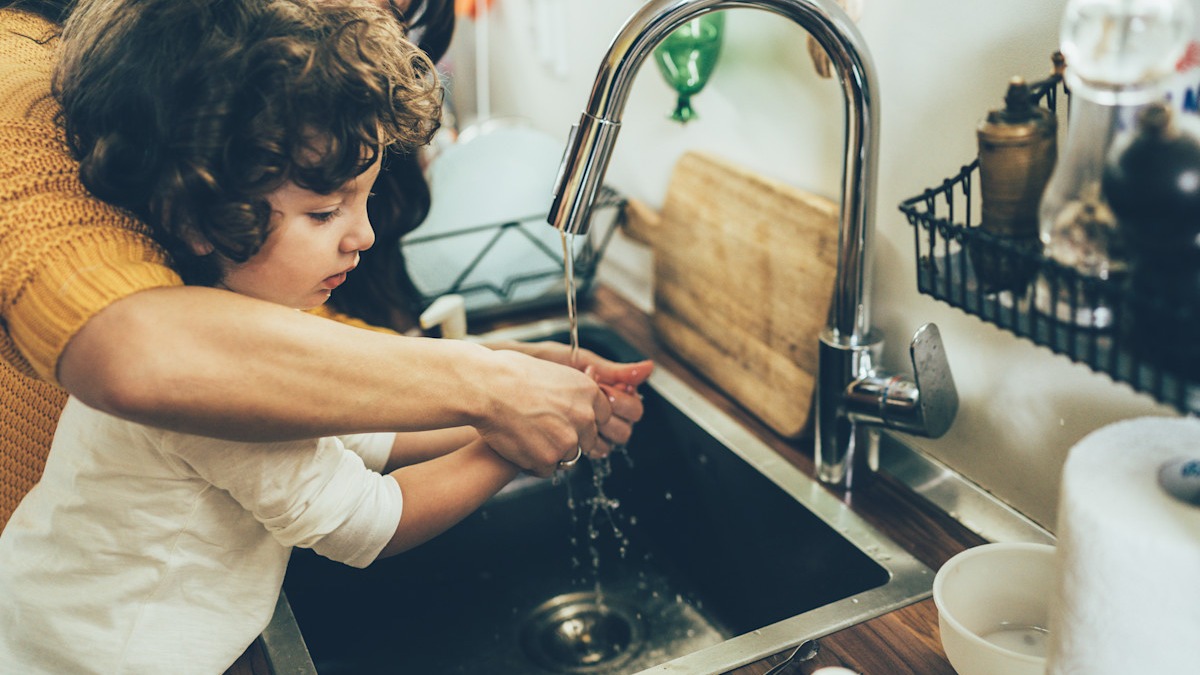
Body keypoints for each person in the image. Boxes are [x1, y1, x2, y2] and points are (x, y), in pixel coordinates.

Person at [0, 1, 603, 671]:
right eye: (323, 212)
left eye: (364, 200)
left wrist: (506, 374)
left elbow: (365, 427)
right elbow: (370, 521)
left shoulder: (231, 301)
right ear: (200, 214)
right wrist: (513, 443)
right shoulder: (216, 383)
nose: (364, 235)